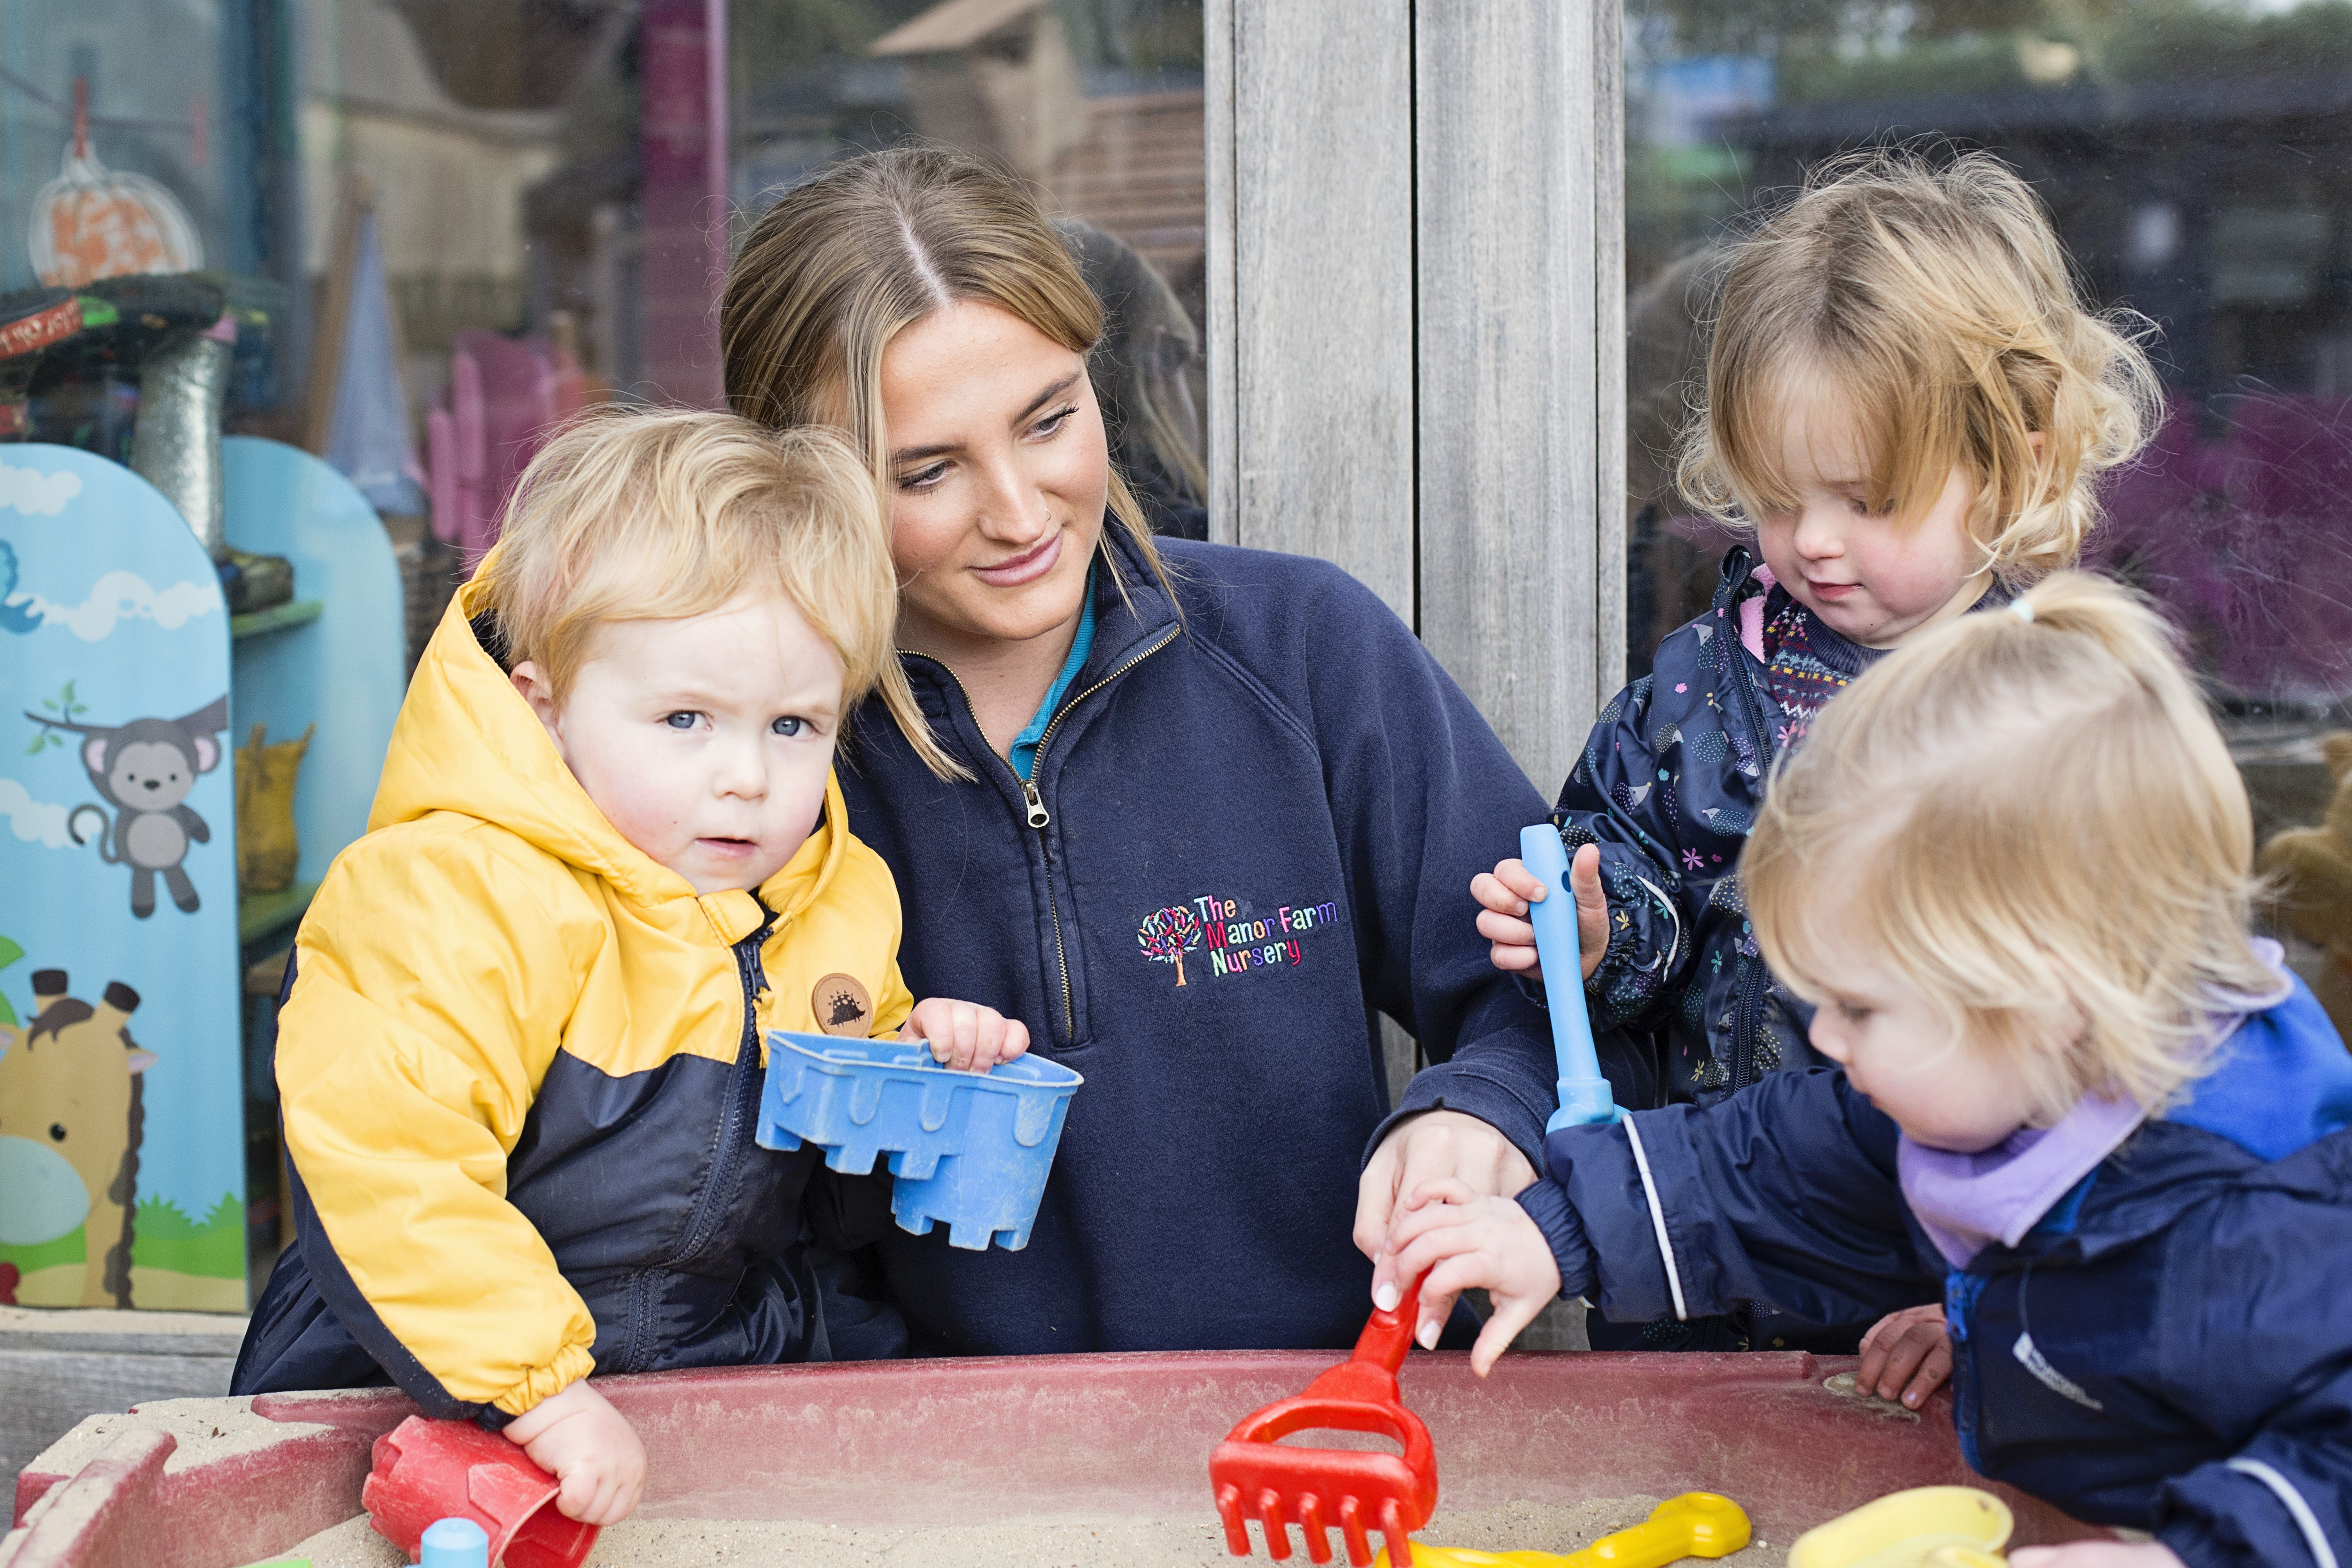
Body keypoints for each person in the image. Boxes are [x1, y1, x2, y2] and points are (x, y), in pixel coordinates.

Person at [719, 146, 1591, 1357]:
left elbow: (1552, 989)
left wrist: (1477, 1108)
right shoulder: (745, 764)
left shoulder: (1303, 646)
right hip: (922, 1454)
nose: (1019, 512)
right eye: (927, 471)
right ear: (803, 481)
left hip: (1329, 1425)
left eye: (1049, 420)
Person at [1385, 573, 2352, 1568]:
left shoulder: (2256, 1219)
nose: (1831, 1043)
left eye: (1858, 1008)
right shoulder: (1996, 1086)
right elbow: (1766, 1169)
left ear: (2046, 995)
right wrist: (1553, 1231)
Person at [231, 410, 1027, 1526]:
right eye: (685, 718)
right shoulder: (451, 894)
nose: (746, 776)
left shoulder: (831, 895)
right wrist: (539, 1394)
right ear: (545, 707)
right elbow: (393, 1168)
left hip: (700, 1351)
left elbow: (834, 1162)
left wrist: (920, 1062)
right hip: (420, 1379)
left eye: (792, 726)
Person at [1469, 147, 2162, 1356]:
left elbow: (2105, 1083)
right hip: (1691, 1280)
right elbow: (1637, 876)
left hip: (1922, 1308)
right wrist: (1601, 932)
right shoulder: (1695, 687)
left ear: (2014, 458)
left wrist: (1992, 1304)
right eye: (1779, 497)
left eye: (1867, 499)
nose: (1814, 542)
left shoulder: (2053, 722)